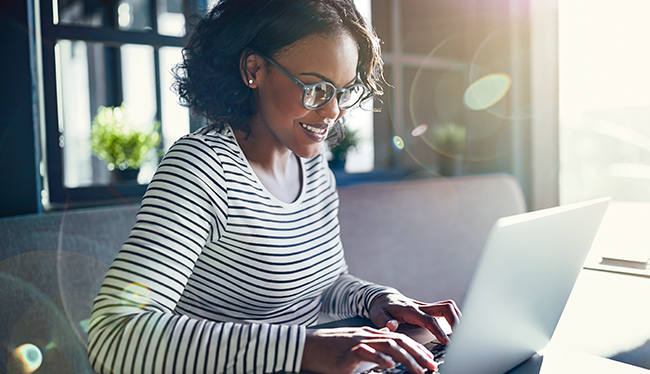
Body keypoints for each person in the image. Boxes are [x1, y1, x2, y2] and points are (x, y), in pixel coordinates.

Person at [87, 0, 461, 373]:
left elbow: (324, 283)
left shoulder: (312, 165)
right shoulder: (201, 168)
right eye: (316, 88)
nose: (332, 112)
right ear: (255, 69)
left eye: (343, 91)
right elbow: (115, 333)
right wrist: (304, 348)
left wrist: (378, 300)